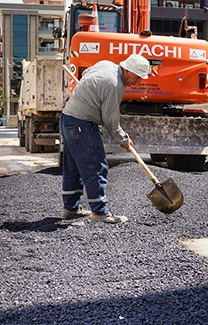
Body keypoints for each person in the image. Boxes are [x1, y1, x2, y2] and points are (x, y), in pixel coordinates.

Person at [59, 54, 151, 223]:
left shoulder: (106, 65)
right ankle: (100, 211)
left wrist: (91, 93)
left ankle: (71, 209)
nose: (137, 82)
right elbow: (111, 119)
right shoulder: (115, 86)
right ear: (128, 70)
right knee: (95, 165)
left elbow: (86, 74)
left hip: (68, 119)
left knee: (74, 167)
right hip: (82, 124)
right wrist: (123, 139)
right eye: (137, 77)